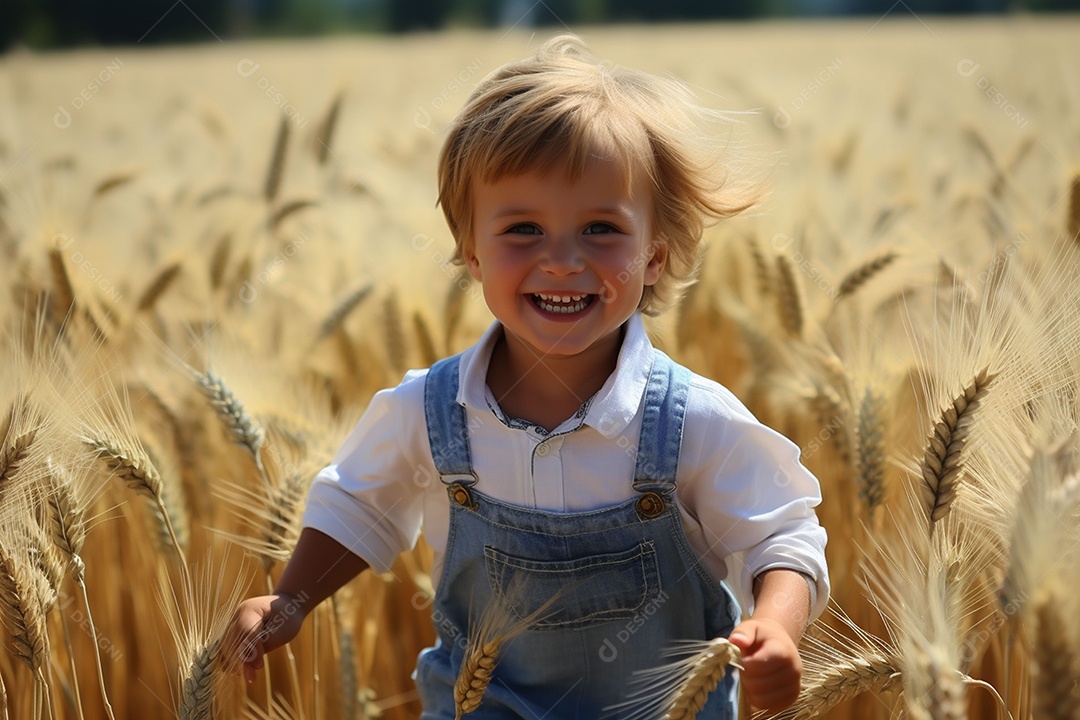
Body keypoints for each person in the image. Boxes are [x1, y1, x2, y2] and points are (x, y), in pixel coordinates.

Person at [227, 34, 828, 718]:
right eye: (522, 230)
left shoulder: (693, 422)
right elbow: (358, 505)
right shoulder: (429, 412)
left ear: (655, 256)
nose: (563, 260)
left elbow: (780, 534)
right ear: (471, 252)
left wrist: (778, 625)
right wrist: (292, 597)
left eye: (601, 228)